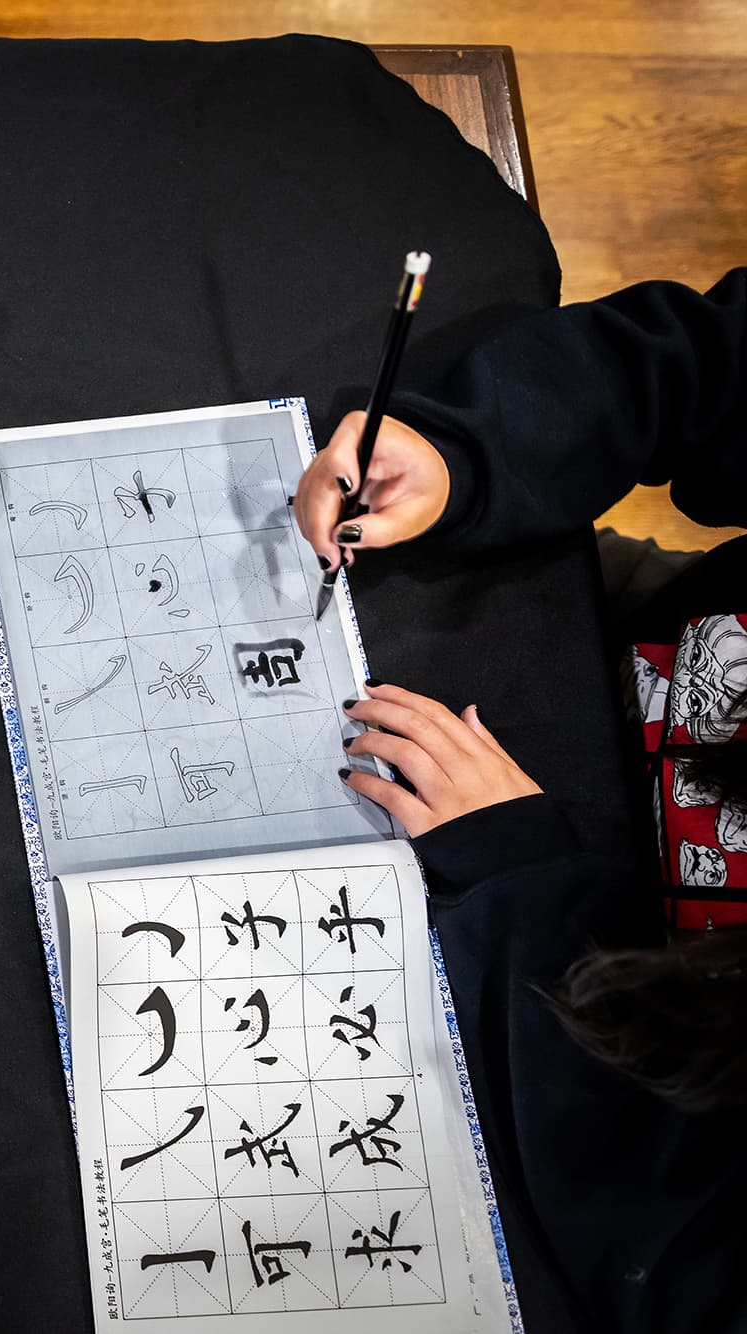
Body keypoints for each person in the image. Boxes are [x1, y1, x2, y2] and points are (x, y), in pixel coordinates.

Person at [292, 269, 747, 1332]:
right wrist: (467, 453)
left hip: (610, 1031)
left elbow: (688, 1264)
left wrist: (533, 896)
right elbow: (697, 365)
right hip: (641, 654)